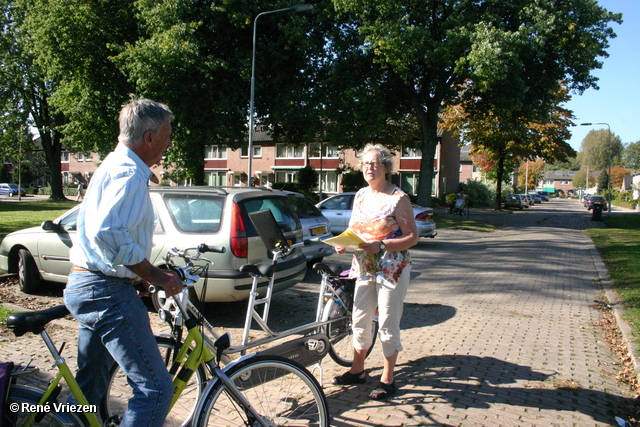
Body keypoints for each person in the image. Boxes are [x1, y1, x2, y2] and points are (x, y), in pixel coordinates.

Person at [64, 98, 184, 427]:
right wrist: (156, 275)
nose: (169, 141)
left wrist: (138, 275)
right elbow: (109, 232)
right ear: (149, 137)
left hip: (88, 284)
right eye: (167, 134)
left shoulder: (116, 165)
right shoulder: (129, 172)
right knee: (156, 389)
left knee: (89, 389)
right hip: (105, 290)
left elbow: (111, 233)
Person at [331, 143, 419, 400]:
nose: (369, 168)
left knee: (388, 323)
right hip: (364, 268)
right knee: (359, 319)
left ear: (386, 167)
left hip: (392, 270)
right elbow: (354, 229)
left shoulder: (398, 198)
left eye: (375, 163)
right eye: (365, 164)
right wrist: (343, 243)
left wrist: (381, 244)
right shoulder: (359, 195)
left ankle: (388, 378)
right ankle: (357, 371)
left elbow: (413, 237)